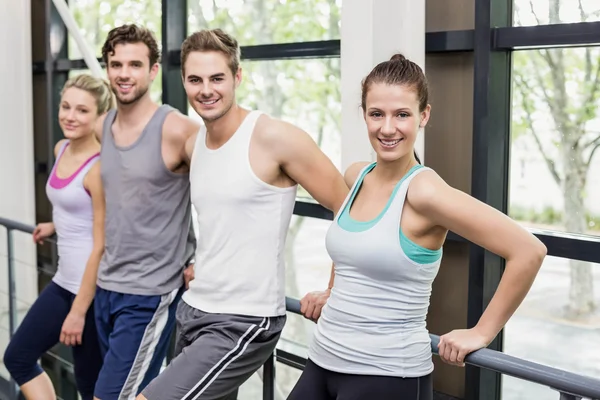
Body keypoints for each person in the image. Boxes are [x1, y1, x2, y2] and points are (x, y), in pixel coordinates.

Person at [288, 54, 547, 400]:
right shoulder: (356, 175)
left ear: (424, 115)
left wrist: (482, 332)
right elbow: (354, 246)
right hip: (322, 361)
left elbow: (528, 250)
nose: (387, 128)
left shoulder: (424, 192)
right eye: (376, 114)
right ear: (364, 114)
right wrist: (332, 290)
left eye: (402, 115)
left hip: (386, 376)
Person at [137, 28, 349, 400]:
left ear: (237, 77)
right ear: (184, 81)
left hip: (243, 321)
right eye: (195, 79)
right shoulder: (194, 144)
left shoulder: (276, 138)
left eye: (217, 78)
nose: (206, 89)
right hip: (194, 308)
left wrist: (334, 287)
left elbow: (347, 206)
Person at [91, 24, 200, 400]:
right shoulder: (102, 126)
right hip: (106, 288)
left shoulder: (177, 129)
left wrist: (202, 256)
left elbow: (221, 194)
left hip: (149, 294)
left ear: (153, 70)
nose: (124, 73)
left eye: (135, 64)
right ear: (106, 68)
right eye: (115, 63)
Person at [3, 74, 113, 400]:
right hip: (64, 281)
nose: (70, 116)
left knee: (90, 385)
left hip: (91, 292)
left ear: (98, 117)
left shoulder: (99, 169)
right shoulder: (62, 147)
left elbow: (103, 242)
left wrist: (78, 311)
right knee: (18, 357)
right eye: (66, 106)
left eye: (82, 110)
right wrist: (55, 225)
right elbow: (71, 203)